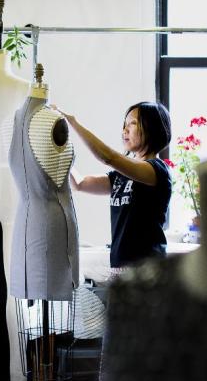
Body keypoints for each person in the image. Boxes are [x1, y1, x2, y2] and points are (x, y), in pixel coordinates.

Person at [56, 101, 172, 268]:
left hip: (148, 269)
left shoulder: (157, 170)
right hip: (121, 266)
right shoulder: (120, 176)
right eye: (124, 125)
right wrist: (58, 149)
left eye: (132, 123)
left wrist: (73, 123)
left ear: (153, 127)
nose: (125, 130)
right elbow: (79, 184)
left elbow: (108, 157)